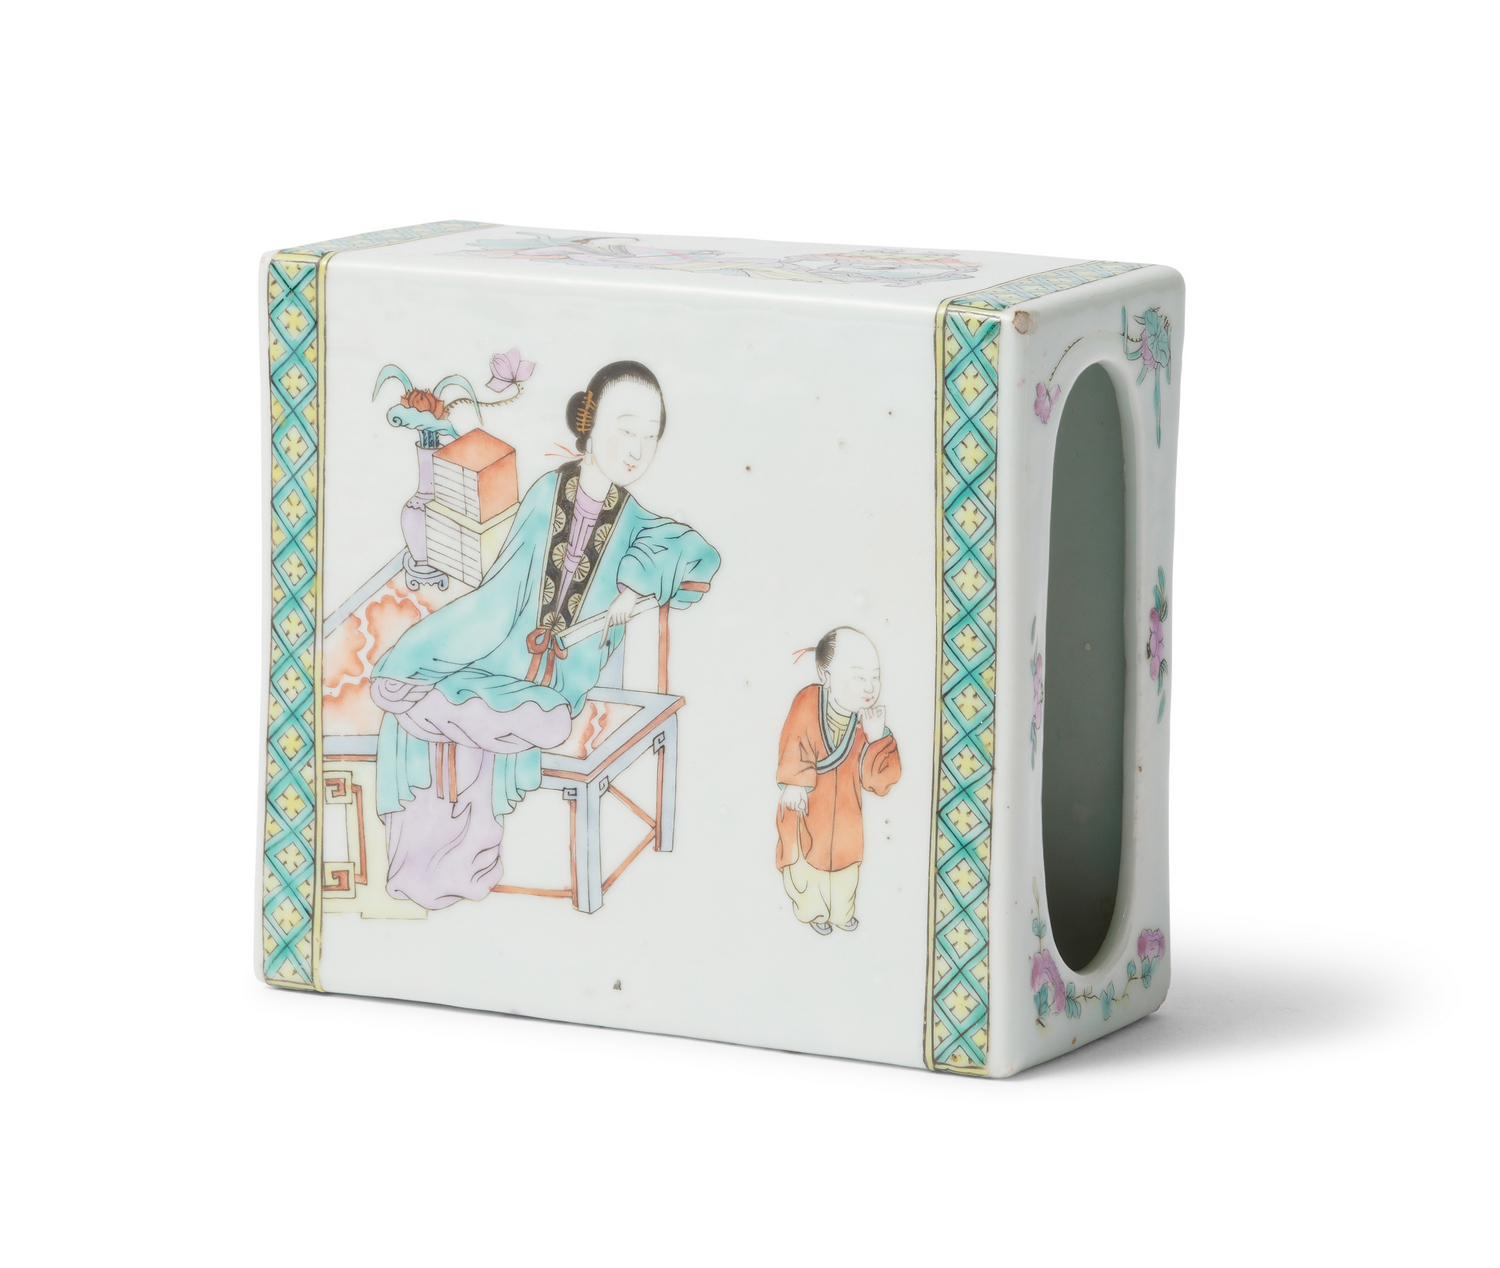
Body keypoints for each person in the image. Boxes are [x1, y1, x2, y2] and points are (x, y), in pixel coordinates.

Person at [369, 361, 719, 910]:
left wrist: (635, 583)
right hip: (503, 649)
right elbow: (498, 594)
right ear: (589, 421)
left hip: (562, 680)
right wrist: (429, 647)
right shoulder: (546, 491)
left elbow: (699, 553)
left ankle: (458, 720)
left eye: (650, 437)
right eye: (625, 429)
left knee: (544, 715)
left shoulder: (635, 519)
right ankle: (434, 853)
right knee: (431, 686)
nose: (636, 449)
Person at [774, 627, 901, 934]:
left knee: (845, 876)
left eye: (875, 677)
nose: (869, 687)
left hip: (846, 819)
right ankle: (813, 914)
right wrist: (794, 783)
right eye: (858, 677)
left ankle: (842, 916)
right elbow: (794, 741)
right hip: (806, 811)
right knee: (805, 876)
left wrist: (876, 739)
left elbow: (878, 783)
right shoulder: (807, 701)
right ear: (826, 676)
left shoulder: (867, 722)